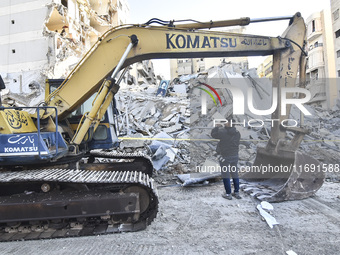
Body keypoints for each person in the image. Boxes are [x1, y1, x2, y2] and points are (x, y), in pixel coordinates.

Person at [211, 119, 241, 200]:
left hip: (225, 157)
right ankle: (236, 192)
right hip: (235, 156)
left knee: (226, 175)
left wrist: (216, 127)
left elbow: (213, 135)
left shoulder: (223, 132)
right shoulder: (237, 133)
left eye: (226, 122)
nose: (224, 123)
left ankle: (228, 194)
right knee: (235, 174)